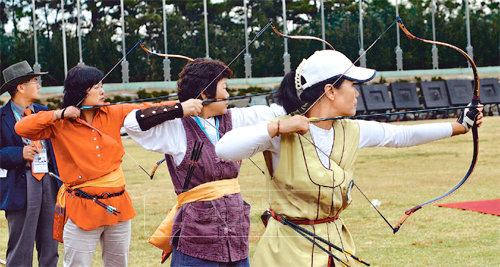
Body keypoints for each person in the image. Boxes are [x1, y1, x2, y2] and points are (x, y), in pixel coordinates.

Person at [215, 50, 483, 266]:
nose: (357, 92)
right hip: (285, 252)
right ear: (330, 91)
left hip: (335, 247)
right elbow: (224, 150)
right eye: (352, 85)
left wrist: (461, 126)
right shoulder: (281, 130)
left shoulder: (351, 129)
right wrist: (275, 127)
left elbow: (401, 136)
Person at [14, 65, 199, 266]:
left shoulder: (113, 112)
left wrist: (181, 107)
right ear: (80, 90)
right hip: (81, 209)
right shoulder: (59, 123)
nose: (102, 91)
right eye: (96, 87)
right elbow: (22, 128)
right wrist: (59, 114)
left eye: (102, 86)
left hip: (118, 206)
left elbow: (147, 108)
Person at [123, 58, 285, 266]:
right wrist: (179, 109)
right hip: (196, 238)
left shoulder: (234, 118)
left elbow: (276, 112)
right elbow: (132, 124)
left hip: (235, 236)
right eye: (224, 88)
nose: (228, 95)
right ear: (204, 94)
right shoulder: (177, 127)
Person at [0, 61, 60, 266]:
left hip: (49, 183)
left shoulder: (44, 113)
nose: (39, 85)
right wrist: (19, 153)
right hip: (20, 184)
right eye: (35, 81)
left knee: (51, 245)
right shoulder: (1, 117)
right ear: (20, 87)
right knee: (21, 248)